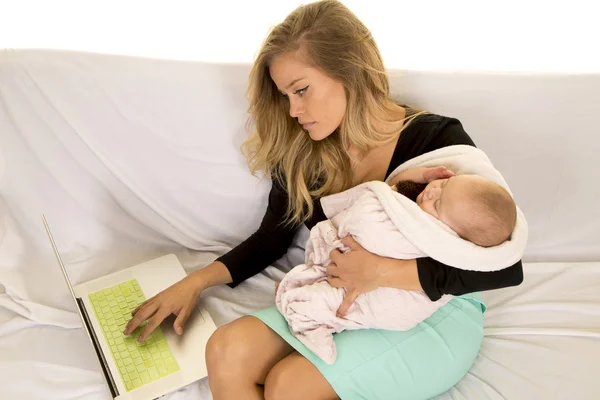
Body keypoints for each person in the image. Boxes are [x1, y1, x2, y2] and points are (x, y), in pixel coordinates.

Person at [124, 1, 524, 398]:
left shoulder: (435, 143)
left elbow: (505, 267)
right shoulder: (304, 152)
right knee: (226, 349)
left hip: (436, 312)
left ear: (349, 70)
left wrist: (382, 272)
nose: (294, 110)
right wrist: (194, 283)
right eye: (285, 96)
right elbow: (271, 239)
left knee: (289, 385)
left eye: (301, 90)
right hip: (339, 304)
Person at [275, 166, 518, 365]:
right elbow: (395, 189)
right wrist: (422, 175)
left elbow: (508, 270)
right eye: (443, 185)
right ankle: (303, 288)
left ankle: (311, 315)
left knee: (330, 302)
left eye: (439, 203)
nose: (432, 192)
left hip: (407, 304)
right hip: (349, 262)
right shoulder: (427, 194)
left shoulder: (440, 240)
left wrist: (378, 269)